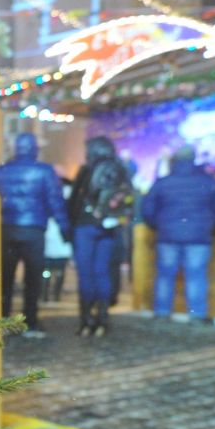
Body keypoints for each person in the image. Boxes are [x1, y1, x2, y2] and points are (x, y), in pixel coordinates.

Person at [0, 132, 69, 338]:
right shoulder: (45, 172)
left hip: (6, 229)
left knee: (5, 278)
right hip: (33, 230)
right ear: (34, 149)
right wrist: (65, 228)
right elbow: (55, 202)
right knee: (33, 280)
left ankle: (3, 320)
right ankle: (29, 322)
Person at [140, 145, 215, 323]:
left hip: (167, 236)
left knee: (165, 275)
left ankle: (162, 312)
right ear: (194, 159)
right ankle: (197, 314)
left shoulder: (162, 182)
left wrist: (159, 226)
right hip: (199, 238)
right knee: (196, 275)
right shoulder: (208, 182)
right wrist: (208, 226)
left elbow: (147, 210)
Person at [68, 135, 135, 337]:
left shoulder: (87, 170)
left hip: (85, 226)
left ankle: (86, 320)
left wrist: (69, 226)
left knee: (86, 274)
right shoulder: (121, 169)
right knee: (102, 272)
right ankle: (103, 319)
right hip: (109, 227)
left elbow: (74, 200)